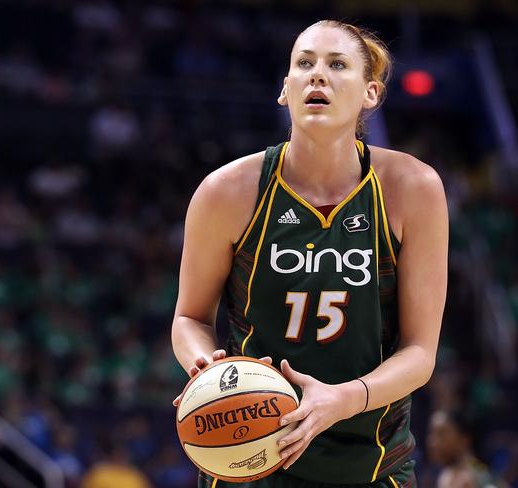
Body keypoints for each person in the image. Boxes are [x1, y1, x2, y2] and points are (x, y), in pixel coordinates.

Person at [171, 19, 448, 488]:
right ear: (285, 90)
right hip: (252, 453)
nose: (317, 75)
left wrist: (344, 398)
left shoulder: (412, 189)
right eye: (305, 63)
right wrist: (208, 368)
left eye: (337, 65)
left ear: (371, 93)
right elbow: (189, 318)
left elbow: (420, 353)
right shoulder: (226, 192)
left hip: (372, 460)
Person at [427, 410, 498, 488]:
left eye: (441, 434)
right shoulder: (446, 474)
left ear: (464, 439)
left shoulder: (478, 474)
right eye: (431, 433)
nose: (432, 441)